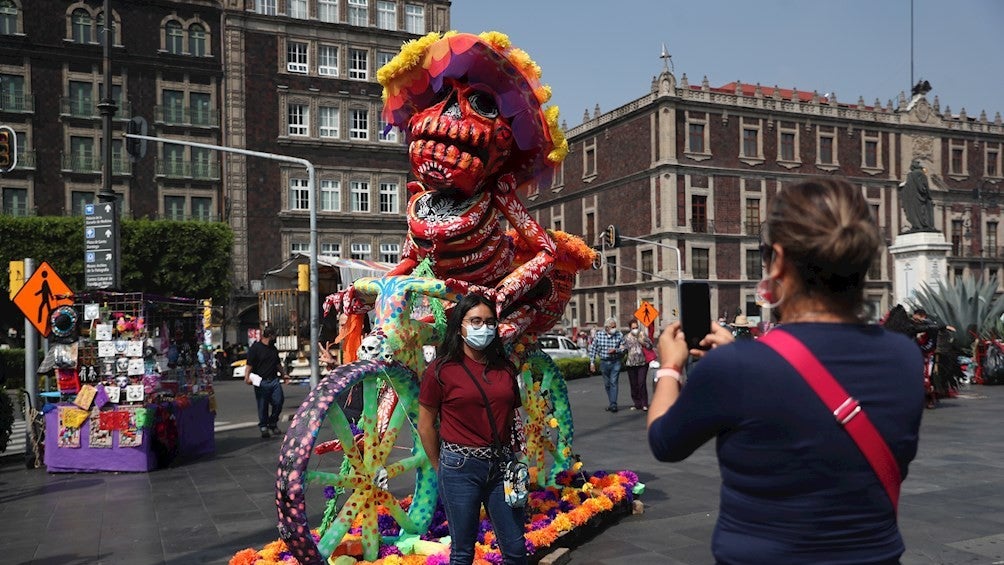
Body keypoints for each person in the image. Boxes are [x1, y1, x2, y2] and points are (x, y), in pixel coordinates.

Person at [647, 178, 924, 564]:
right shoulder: (906, 358)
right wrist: (747, 357)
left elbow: (665, 442)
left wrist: (670, 367)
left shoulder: (735, 368)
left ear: (778, 260)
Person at [417, 294, 526, 565]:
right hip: (459, 467)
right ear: (459, 326)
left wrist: (518, 460)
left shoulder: (506, 369)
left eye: (489, 322)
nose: (483, 328)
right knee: (463, 551)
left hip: (502, 467)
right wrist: (439, 466)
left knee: (515, 548)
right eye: (475, 321)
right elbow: (426, 424)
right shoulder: (441, 370)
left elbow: (513, 418)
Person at [245, 325, 287, 439]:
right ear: (269, 335)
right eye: (274, 336)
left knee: (279, 401)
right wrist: (247, 377)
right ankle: (263, 426)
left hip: (274, 380)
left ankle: (273, 422)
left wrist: (284, 375)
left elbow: (278, 364)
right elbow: (249, 364)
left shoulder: (273, 348)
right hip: (261, 381)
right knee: (262, 405)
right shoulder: (255, 348)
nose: (276, 338)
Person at [588, 317, 627, 412]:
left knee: (613, 382)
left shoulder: (619, 335)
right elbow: (593, 349)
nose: (614, 329)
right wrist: (592, 362)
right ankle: (611, 402)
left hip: (615, 362)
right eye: (612, 327)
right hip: (604, 362)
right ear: (607, 328)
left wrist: (616, 350)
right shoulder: (599, 335)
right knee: (607, 384)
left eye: (615, 326)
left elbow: (624, 348)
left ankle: (613, 404)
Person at [898, 159, 936, 232]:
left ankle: (916, 225)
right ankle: (923, 225)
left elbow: (907, 187)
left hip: (911, 199)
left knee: (913, 212)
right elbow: (925, 186)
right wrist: (929, 196)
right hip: (920, 197)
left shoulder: (910, 175)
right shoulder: (921, 174)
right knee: (923, 212)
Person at [622, 320, 652, 411]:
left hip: (642, 362)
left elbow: (650, 346)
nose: (635, 329)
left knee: (641, 383)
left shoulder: (642, 334)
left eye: (636, 327)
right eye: (633, 328)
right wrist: (621, 350)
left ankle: (644, 403)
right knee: (633, 384)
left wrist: (643, 342)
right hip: (631, 363)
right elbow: (624, 349)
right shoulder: (626, 337)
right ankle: (637, 403)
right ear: (630, 328)